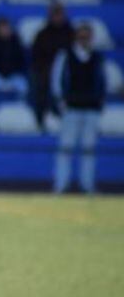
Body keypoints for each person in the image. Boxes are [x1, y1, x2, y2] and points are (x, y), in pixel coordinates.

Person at [51, 22, 105, 194]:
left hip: (91, 108)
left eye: (87, 36)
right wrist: (60, 101)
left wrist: (100, 101)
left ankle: (87, 186)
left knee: (89, 149)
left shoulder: (97, 57)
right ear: (76, 37)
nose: (84, 39)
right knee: (66, 148)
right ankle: (61, 185)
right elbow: (57, 79)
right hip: (71, 107)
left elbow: (102, 80)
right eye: (81, 36)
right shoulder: (65, 55)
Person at [30, 2, 74, 124]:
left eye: (60, 13)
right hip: (45, 73)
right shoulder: (42, 34)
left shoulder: (71, 34)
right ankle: (41, 118)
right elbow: (36, 58)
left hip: (68, 73)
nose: (57, 17)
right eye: (55, 13)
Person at [0, 17, 28, 110]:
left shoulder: (17, 43)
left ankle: (21, 107)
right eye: (2, 28)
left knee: (23, 85)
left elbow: (21, 62)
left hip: (14, 76)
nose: (4, 30)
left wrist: (12, 71)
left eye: (6, 28)